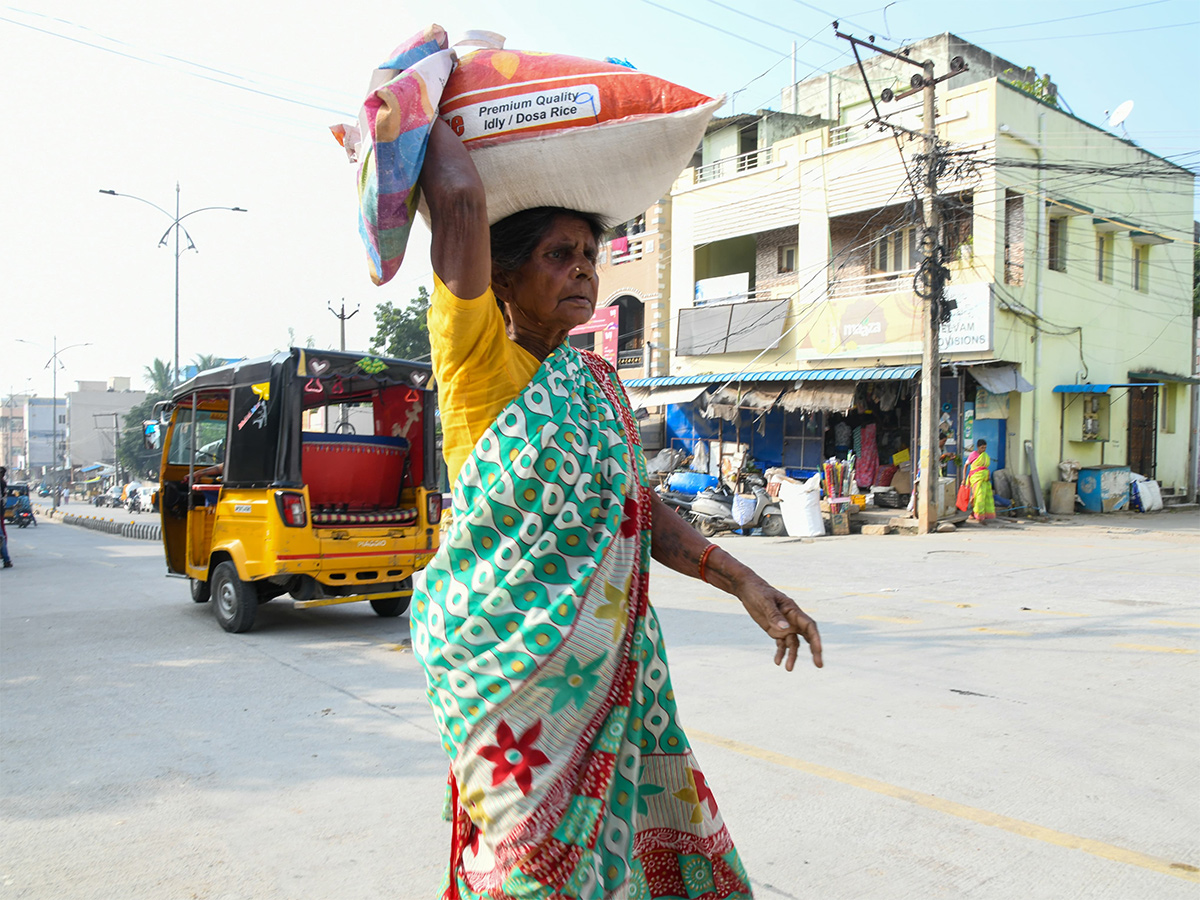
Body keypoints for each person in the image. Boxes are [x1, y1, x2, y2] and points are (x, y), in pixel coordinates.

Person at [411, 117, 823, 899]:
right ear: (499, 276)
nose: (584, 273)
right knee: (528, 876)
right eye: (558, 256)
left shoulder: (596, 381)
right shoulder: (476, 361)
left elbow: (638, 509)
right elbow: (461, 199)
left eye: (591, 257)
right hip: (511, 681)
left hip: (612, 681)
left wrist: (743, 582)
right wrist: (428, 97)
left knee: (622, 867)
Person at [965, 439, 996, 523]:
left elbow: (985, 467)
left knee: (983, 497)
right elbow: (966, 465)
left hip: (984, 479)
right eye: (982, 447)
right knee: (976, 496)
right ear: (978, 447)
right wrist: (964, 478)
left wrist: (987, 475)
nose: (984, 449)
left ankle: (977, 514)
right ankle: (975, 514)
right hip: (976, 478)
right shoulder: (973, 455)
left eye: (985, 448)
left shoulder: (985, 455)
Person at [0, 467, 12, 568]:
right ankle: (6, 560)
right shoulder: (3, 484)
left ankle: (6, 560)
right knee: (2, 537)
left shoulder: (2, 484)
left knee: (1, 537)